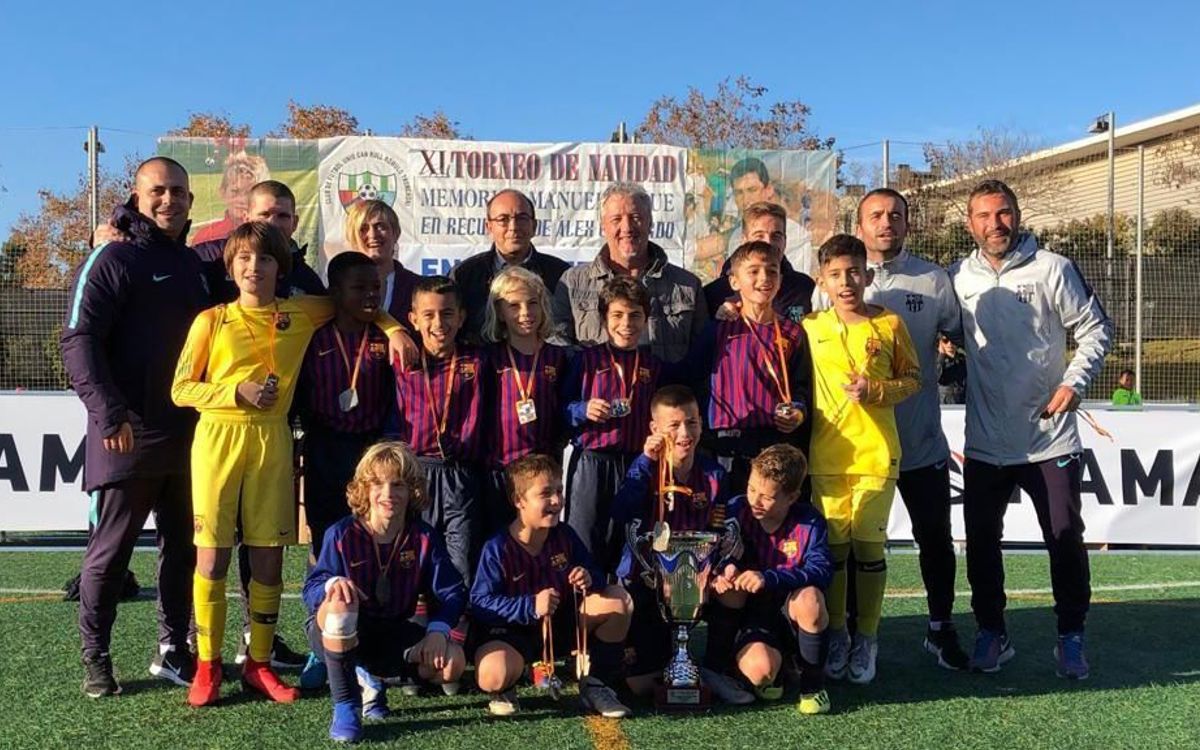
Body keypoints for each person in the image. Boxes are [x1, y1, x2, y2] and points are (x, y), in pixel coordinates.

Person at [171, 222, 408, 707]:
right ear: (230, 266)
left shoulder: (301, 312)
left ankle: (258, 664)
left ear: (281, 270)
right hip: (218, 438)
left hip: (272, 442)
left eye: (264, 260)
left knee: (268, 558)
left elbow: (358, 303)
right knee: (212, 557)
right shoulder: (211, 320)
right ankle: (209, 665)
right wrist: (234, 391)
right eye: (243, 260)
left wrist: (394, 327)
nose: (253, 268)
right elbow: (180, 389)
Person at [950, 180, 1113, 679]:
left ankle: (1070, 635)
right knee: (980, 541)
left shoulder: (1053, 267)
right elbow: (954, 335)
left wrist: (1073, 382)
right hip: (985, 442)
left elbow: (1095, 330)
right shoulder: (958, 277)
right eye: (983, 215)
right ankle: (992, 632)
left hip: (1049, 438)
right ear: (970, 223)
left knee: (1064, 537)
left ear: (1016, 216)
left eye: (1003, 213)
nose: (994, 224)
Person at [62, 156, 208, 698]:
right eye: (158, 191)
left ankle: (174, 649)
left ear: (192, 201)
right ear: (136, 196)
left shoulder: (195, 266)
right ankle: (96, 656)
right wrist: (110, 413)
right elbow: (78, 341)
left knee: (183, 550)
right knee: (111, 550)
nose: (169, 200)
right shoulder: (113, 257)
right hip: (127, 434)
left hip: (190, 437)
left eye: (179, 192)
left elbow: (251, 258)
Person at [855, 188, 969, 670]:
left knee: (936, 540)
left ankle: (940, 628)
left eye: (896, 216)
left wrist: (951, 362)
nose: (887, 223)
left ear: (908, 224)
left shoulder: (932, 279)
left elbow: (958, 339)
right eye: (876, 216)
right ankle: (852, 635)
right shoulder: (839, 278)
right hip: (860, 448)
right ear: (859, 225)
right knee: (857, 546)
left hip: (920, 441)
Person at [803, 234, 920, 685]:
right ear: (822, 281)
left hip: (875, 453)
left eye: (854, 272)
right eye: (835, 275)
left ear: (868, 275)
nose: (846, 281)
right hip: (826, 457)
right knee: (832, 551)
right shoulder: (810, 327)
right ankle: (836, 632)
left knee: (869, 549)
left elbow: (913, 379)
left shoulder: (889, 324)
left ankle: (866, 636)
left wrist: (879, 391)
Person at [303, 442, 467, 743]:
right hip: (343, 631)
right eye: (377, 484)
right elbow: (311, 588)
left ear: (413, 491)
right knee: (339, 603)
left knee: (451, 663)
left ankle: (368, 678)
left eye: (399, 485)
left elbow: (453, 592)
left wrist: (438, 630)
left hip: (393, 630)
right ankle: (347, 703)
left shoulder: (423, 538)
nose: (388, 494)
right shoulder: (341, 533)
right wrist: (331, 584)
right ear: (363, 489)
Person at [610, 385, 749, 702]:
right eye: (674, 425)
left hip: (697, 579)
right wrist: (646, 460)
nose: (685, 433)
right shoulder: (643, 467)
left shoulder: (713, 473)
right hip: (648, 582)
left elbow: (722, 525)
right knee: (640, 685)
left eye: (692, 422)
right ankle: (668, 666)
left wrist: (728, 554)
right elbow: (620, 511)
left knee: (734, 586)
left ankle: (714, 668)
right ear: (655, 429)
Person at [469, 454, 633, 719]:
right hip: (513, 634)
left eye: (559, 491)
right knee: (492, 676)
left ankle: (597, 683)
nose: (556, 501)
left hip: (561, 628)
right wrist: (530, 606)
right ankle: (507, 686)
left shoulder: (565, 535)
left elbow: (595, 573)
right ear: (519, 501)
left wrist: (588, 577)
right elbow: (480, 602)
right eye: (546, 493)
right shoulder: (497, 547)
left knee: (618, 600)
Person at [712, 444, 833, 714]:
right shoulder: (735, 510)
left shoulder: (810, 522)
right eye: (752, 489)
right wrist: (726, 568)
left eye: (767, 497)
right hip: (754, 615)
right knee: (760, 670)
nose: (755, 500)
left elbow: (822, 571)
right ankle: (729, 666)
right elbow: (715, 550)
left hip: (790, 612)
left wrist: (769, 577)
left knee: (811, 598)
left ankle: (813, 685)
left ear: (792, 497)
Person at [295, 252, 397, 556]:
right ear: (335, 293)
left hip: (371, 449)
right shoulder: (313, 337)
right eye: (360, 288)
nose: (371, 295)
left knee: (373, 531)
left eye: (376, 288)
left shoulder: (388, 337)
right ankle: (326, 600)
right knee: (326, 533)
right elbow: (300, 391)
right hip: (324, 448)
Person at [691, 240, 811, 495]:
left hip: (773, 442)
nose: (764, 278)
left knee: (766, 522)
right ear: (734, 282)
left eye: (771, 271)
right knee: (725, 521)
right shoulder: (719, 329)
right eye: (753, 271)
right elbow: (693, 376)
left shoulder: (792, 332)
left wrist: (797, 412)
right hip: (724, 444)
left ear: (779, 280)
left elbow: (802, 386)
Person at [562, 277, 664, 569]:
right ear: (605, 318)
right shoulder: (586, 361)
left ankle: (625, 608)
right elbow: (561, 410)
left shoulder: (652, 366)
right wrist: (583, 410)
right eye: (617, 315)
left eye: (635, 315)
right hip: (591, 463)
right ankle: (583, 610)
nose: (626, 323)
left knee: (630, 541)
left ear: (646, 319)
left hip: (635, 462)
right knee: (584, 541)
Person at [392, 276, 487, 584]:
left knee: (460, 565)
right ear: (413, 319)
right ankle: (416, 630)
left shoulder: (479, 361)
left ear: (461, 317)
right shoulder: (401, 360)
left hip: (461, 474)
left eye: (447, 313)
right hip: (415, 473)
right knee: (414, 561)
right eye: (428, 315)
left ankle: (455, 629)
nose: (439, 323)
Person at [553, 182, 707, 363]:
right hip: (597, 389)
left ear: (650, 223)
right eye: (616, 219)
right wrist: (590, 371)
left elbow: (702, 353)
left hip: (664, 388)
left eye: (635, 217)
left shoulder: (687, 285)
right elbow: (557, 343)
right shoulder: (572, 283)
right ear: (603, 226)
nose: (627, 228)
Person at [480, 267, 571, 536]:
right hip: (500, 470)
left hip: (542, 472)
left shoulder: (558, 357)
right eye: (514, 306)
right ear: (499, 311)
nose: (525, 313)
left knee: (541, 538)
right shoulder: (488, 358)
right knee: (501, 539)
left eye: (532, 303)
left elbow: (564, 410)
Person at [450, 189, 570, 344]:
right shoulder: (464, 275)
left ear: (534, 226)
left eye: (522, 218)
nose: (513, 227)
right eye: (503, 219)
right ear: (489, 227)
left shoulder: (560, 274)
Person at [704, 201, 816, 324]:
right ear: (744, 240)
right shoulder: (715, 294)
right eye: (759, 235)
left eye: (776, 236)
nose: (768, 243)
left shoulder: (804, 288)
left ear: (785, 240)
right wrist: (718, 324)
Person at [723, 158, 815, 276]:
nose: (746, 199)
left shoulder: (796, 235)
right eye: (739, 192)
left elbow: (794, 285)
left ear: (769, 190)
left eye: (752, 190)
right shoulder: (736, 236)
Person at [345, 199, 422, 334]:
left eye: (380, 226)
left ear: (396, 233)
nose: (373, 235)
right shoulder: (341, 291)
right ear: (353, 237)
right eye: (363, 229)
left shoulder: (419, 287)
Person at [191, 150, 270, 244]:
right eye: (235, 191)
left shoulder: (272, 234)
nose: (242, 200)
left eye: (249, 193)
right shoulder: (207, 237)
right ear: (223, 192)